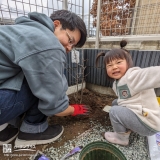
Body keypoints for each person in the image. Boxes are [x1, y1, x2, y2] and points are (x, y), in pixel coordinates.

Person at [0, 10, 88, 146]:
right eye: (70, 40)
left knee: (31, 73)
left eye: (73, 45)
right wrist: (72, 109)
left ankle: (3, 128)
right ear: (56, 24)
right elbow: (54, 100)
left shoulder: (23, 29)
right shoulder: (48, 43)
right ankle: (33, 129)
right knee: (46, 82)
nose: (70, 48)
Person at [96, 40, 160, 146]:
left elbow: (152, 74)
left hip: (149, 123)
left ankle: (121, 138)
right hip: (142, 116)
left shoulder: (132, 76)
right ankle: (128, 127)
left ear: (128, 63)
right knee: (115, 103)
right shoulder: (117, 83)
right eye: (109, 65)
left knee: (114, 111)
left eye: (118, 62)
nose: (114, 67)